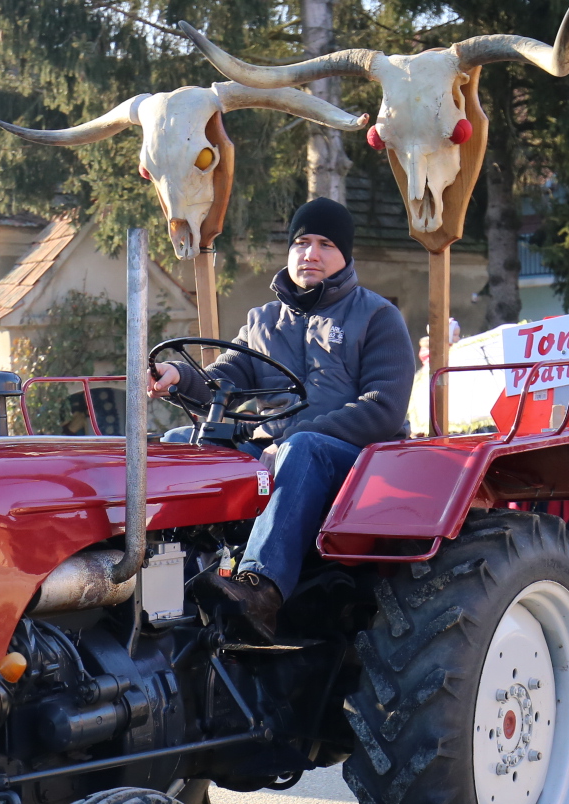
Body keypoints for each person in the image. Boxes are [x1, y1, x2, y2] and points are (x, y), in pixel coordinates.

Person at [147, 197, 415, 642]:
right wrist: (179, 376)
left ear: (345, 255)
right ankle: (165, 579)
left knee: (301, 448)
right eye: (300, 242)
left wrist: (293, 436)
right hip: (276, 448)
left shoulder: (377, 316)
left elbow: (383, 408)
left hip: (356, 459)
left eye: (325, 244)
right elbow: (224, 381)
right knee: (181, 443)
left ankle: (259, 589)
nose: (309, 253)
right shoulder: (263, 321)